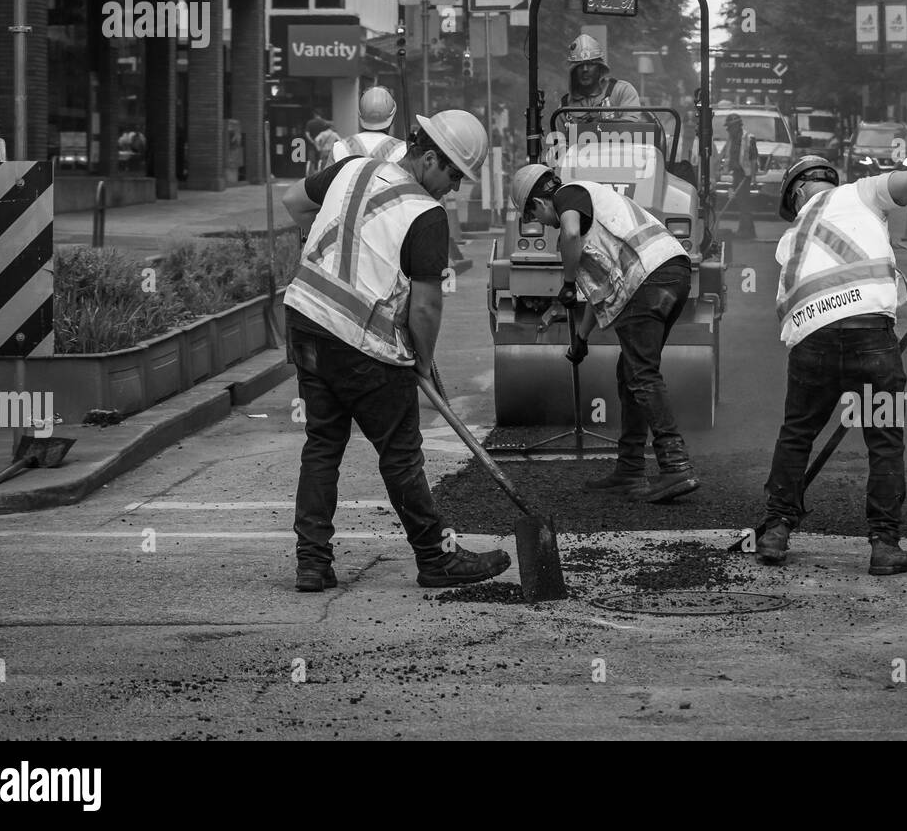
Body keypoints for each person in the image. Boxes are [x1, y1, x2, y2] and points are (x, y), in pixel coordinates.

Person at [281, 109, 511, 592]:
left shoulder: (352, 168)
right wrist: (422, 363)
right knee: (402, 454)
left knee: (322, 445)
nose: (454, 189)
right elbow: (425, 308)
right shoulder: (427, 216)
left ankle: (311, 562)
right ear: (430, 158)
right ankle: (435, 557)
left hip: (306, 322)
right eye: (453, 175)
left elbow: (293, 202)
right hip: (361, 344)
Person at [751, 155, 907, 575]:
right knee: (884, 441)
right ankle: (884, 546)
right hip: (870, 338)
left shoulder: (792, 239)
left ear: (798, 191)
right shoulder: (863, 193)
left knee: (798, 433)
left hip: (811, 339)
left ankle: (775, 530)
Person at [511, 163, 699, 502]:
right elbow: (599, 296)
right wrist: (580, 339)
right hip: (670, 273)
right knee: (630, 372)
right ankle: (630, 470)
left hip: (648, 277)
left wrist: (566, 285)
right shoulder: (585, 214)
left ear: (538, 203)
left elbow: (569, 234)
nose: (544, 224)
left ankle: (676, 465)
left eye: (537, 217)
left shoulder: (570, 194)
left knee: (641, 374)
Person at [560, 34, 641, 112]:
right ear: (573, 70)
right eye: (580, 65)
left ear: (600, 67)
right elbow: (556, 126)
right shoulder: (565, 106)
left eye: (590, 64)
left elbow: (632, 124)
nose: (585, 69)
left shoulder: (621, 92)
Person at [331, 86, 405, 164]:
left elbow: (327, 175)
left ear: (360, 114)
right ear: (392, 116)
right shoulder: (404, 151)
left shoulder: (339, 148)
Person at [721, 112, 759, 199]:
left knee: (743, 200)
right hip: (733, 174)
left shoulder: (749, 139)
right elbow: (724, 155)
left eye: (730, 127)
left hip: (745, 175)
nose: (728, 130)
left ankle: (745, 213)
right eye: (728, 128)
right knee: (732, 200)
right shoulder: (730, 139)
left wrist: (753, 177)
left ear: (737, 126)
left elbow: (753, 159)